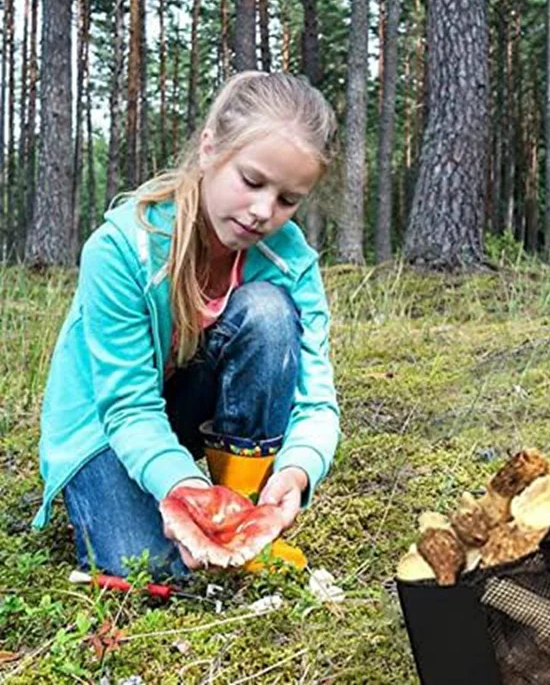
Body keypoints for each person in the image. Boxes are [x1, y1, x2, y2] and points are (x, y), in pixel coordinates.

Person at [32, 71, 341, 579]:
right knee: (152, 565)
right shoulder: (121, 251)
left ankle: (239, 515)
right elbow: (128, 407)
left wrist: (298, 468)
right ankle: (174, 501)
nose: (264, 211)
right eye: (252, 180)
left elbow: (316, 398)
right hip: (106, 428)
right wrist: (182, 488)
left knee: (268, 313)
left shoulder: (290, 262)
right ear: (209, 149)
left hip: (182, 415)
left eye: (288, 199)